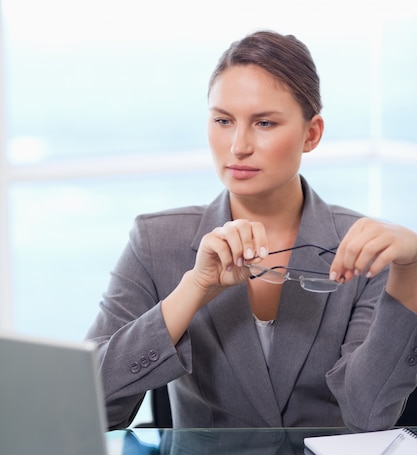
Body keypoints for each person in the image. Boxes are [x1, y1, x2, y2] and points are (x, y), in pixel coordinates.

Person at [86, 29, 417, 431]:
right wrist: (193, 289)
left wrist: (411, 270)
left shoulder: (364, 250)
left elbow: (369, 415)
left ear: (311, 134)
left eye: (264, 122)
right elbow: (90, 407)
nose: (238, 146)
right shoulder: (156, 241)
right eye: (223, 120)